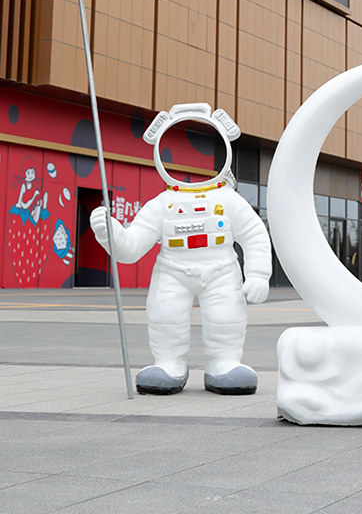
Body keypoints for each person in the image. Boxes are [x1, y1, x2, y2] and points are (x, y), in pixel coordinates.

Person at [90, 104, 271, 395]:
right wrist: (110, 234)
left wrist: (259, 274)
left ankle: (224, 363)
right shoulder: (163, 203)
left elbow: (254, 235)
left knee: (226, 318)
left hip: (221, 271)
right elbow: (132, 247)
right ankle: (168, 363)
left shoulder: (228, 199)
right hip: (172, 271)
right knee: (166, 316)